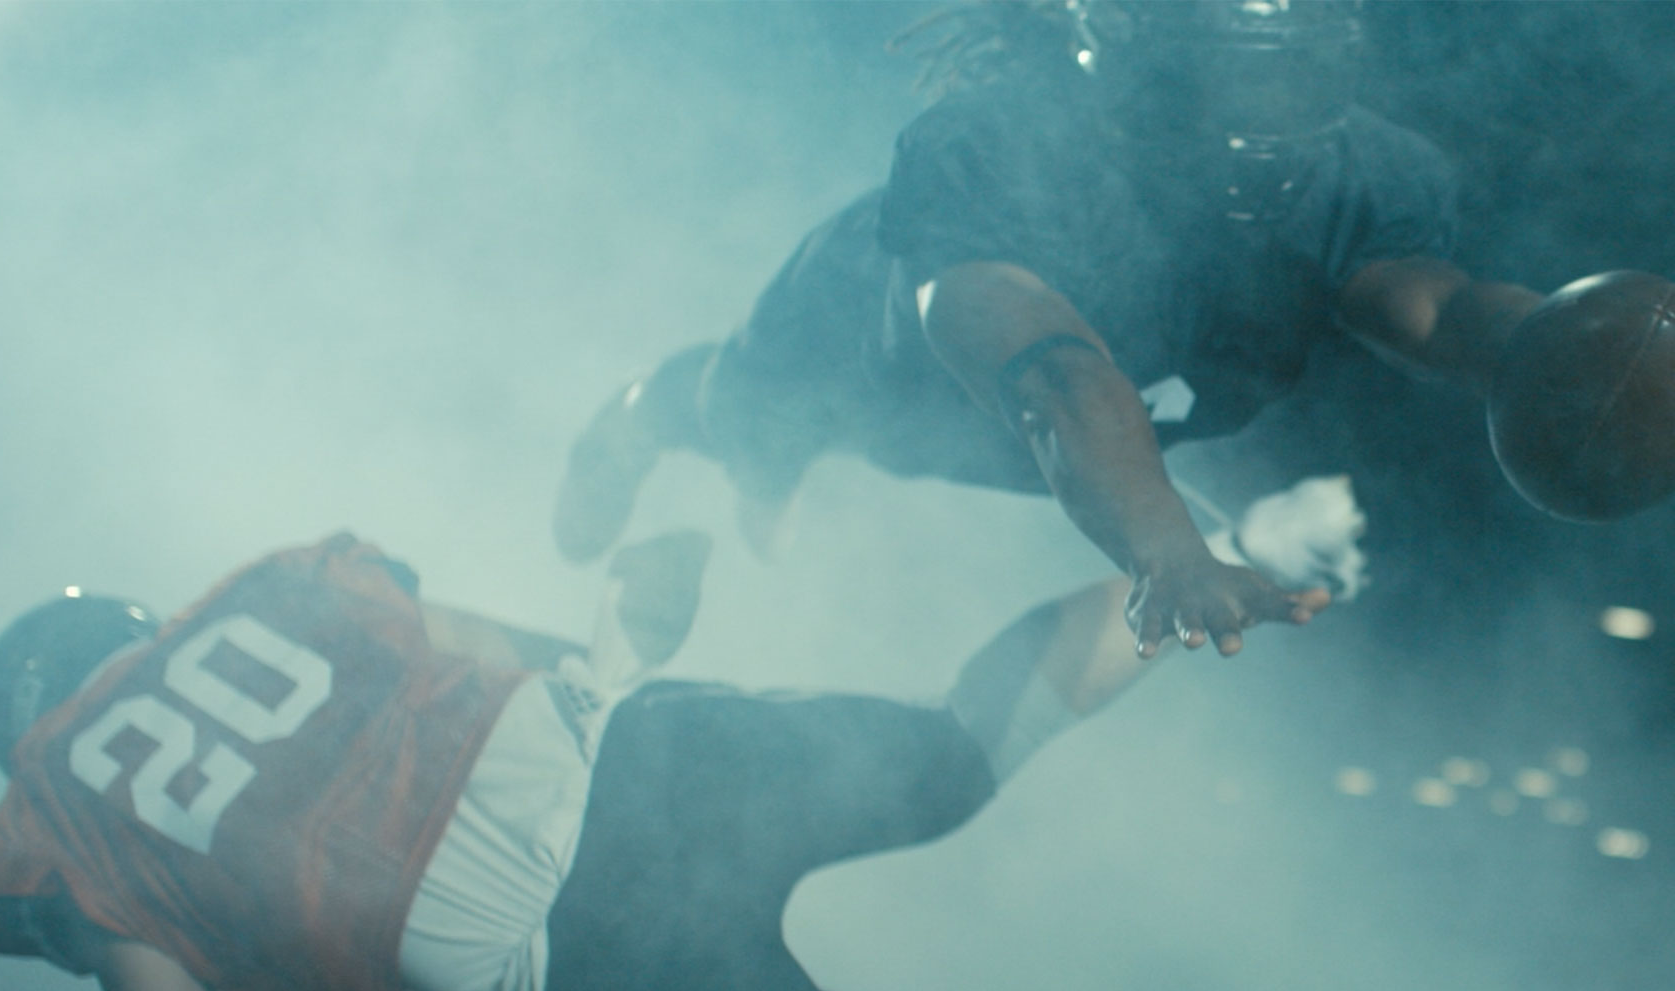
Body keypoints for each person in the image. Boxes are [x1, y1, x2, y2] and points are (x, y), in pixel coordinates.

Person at [0, 531, 1401, 991]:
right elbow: (496, 647)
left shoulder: (68, 825)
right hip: (644, 750)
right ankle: (1197, 556)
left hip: (581, 945)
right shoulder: (261, 596)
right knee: (959, 747)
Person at [550, 0, 1547, 660]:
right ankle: (632, 424)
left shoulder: (1367, 178)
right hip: (875, 367)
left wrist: (1566, 345)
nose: (1254, 134)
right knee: (741, 414)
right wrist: (1167, 544)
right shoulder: (1003, 150)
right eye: (1215, 86)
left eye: (1283, 80)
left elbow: (1438, 309)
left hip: (1083, 440)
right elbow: (1057, 380)